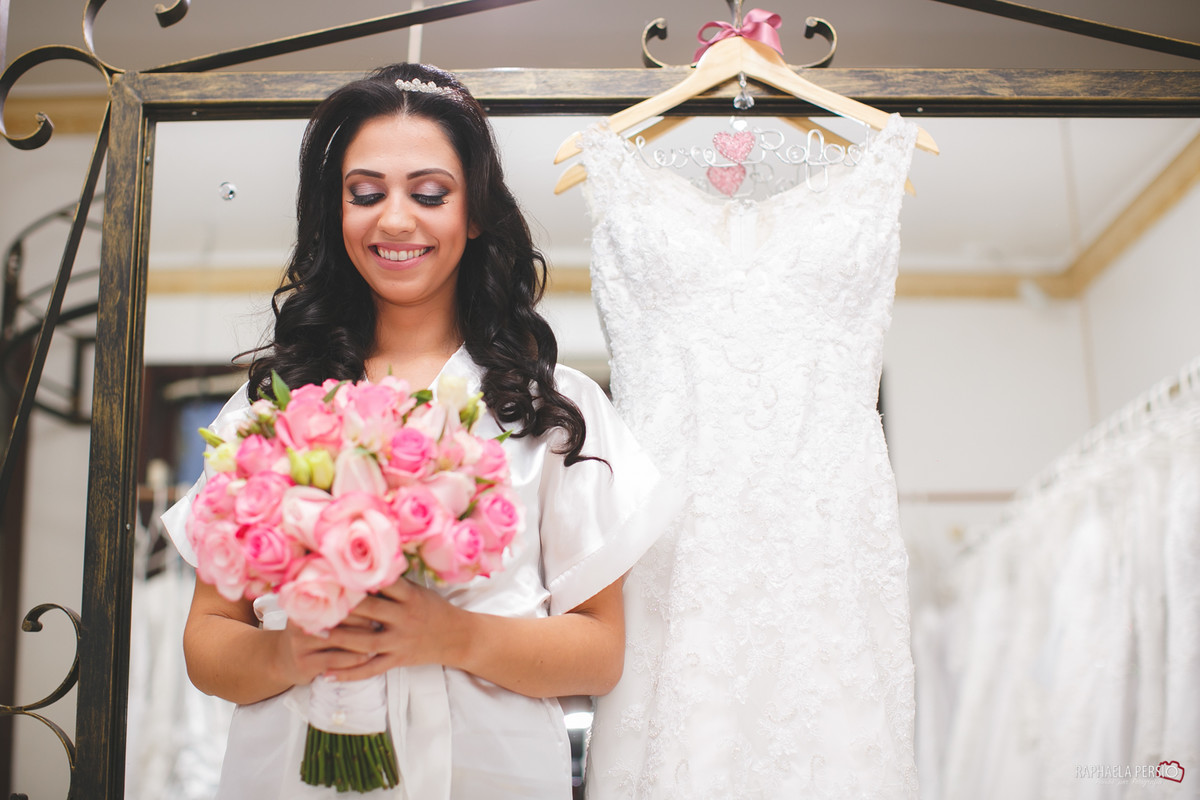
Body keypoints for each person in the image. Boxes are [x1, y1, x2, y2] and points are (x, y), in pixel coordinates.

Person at [161, 62, 669, 799]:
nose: (394, 220)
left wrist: (451, 636)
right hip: (290, 768)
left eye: (428, 193)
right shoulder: (274, 404)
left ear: (475, 213)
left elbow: (599, 652)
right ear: (335, 213)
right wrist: (295, 653)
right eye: (365, 194)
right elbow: (208, 642)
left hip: (488, 773)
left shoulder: (548, 408)